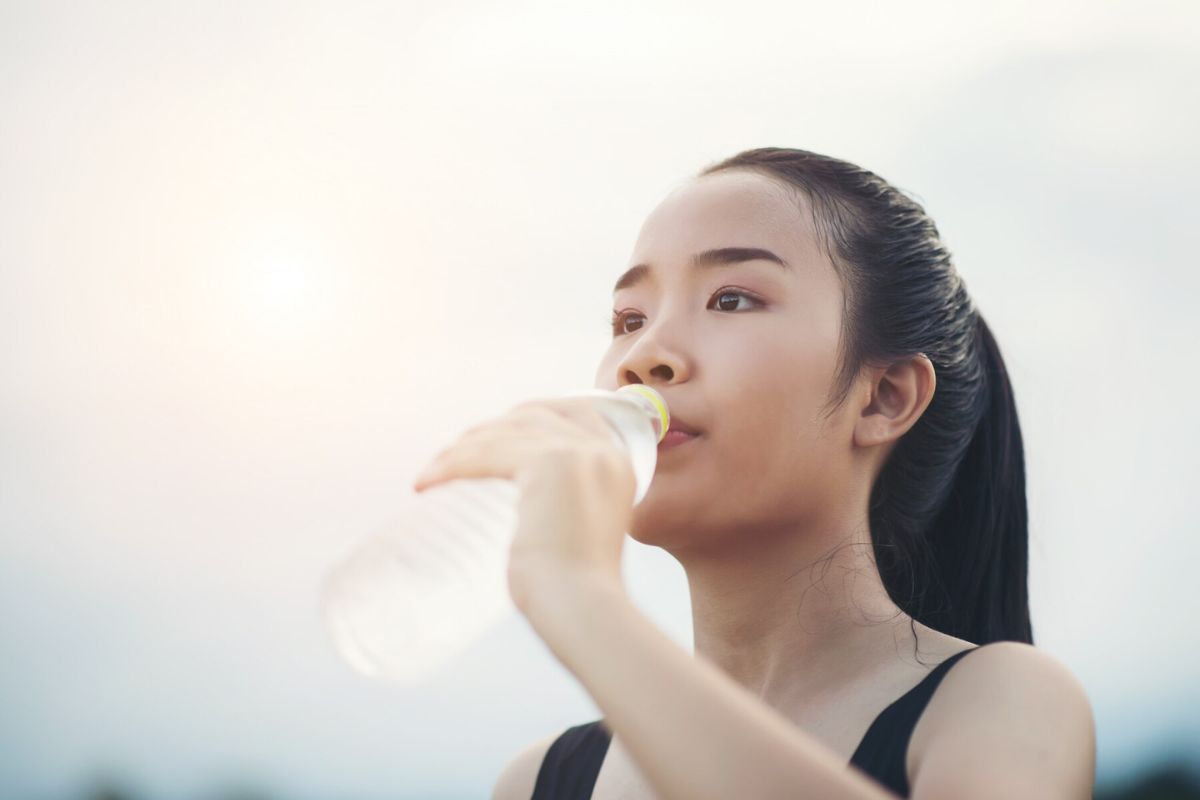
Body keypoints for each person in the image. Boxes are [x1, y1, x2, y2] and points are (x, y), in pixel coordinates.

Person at [412, 146, 1096, 799]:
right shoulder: (538, 782)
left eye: (731, 299)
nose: (643, 357)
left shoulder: (1001, 701)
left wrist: (581, 596)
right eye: (628, 318)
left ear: (884, 397)